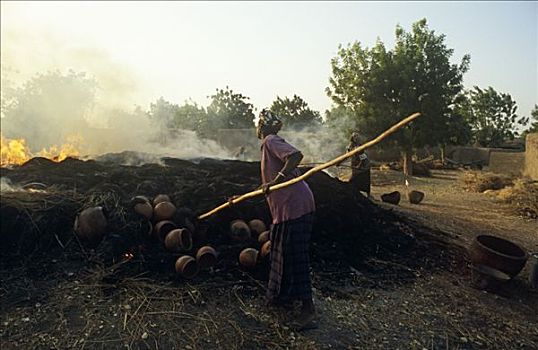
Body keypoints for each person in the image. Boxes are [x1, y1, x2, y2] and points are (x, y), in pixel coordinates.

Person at [257, 108, 317, 331]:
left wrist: (279, 179)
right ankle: (282, 297)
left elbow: (295, 156)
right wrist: (268, 185)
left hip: (295, 206)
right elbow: (271, 180)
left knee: (295, 256)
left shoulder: (270, 140)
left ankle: (308, 310)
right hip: (288, 207)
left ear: (262, 126)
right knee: (282, 253)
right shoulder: (268, 145)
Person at [344, 132, 371, 198]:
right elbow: (346, 156)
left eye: (357, 137)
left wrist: (359, 166)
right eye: (354, 137)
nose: (356, 138)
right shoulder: (349, 147)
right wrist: (339, 163)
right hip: (355, 165)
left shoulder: (359, 147)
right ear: (352, 138)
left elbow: (363, 158)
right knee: (355, 180)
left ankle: (368, 195)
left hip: (364, 166)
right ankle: (355, 193)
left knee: (364, 180)